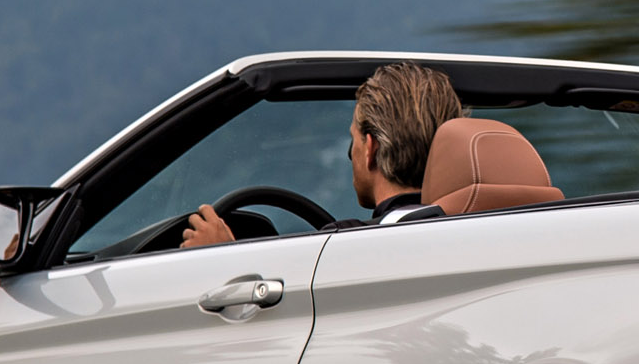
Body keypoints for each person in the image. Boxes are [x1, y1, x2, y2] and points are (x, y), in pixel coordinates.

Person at [182, 60, 464, 246]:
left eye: (353, 140)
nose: (348, 155)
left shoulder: (348, 245)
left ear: (370, 149)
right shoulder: (479, 228)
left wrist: (223, 256)